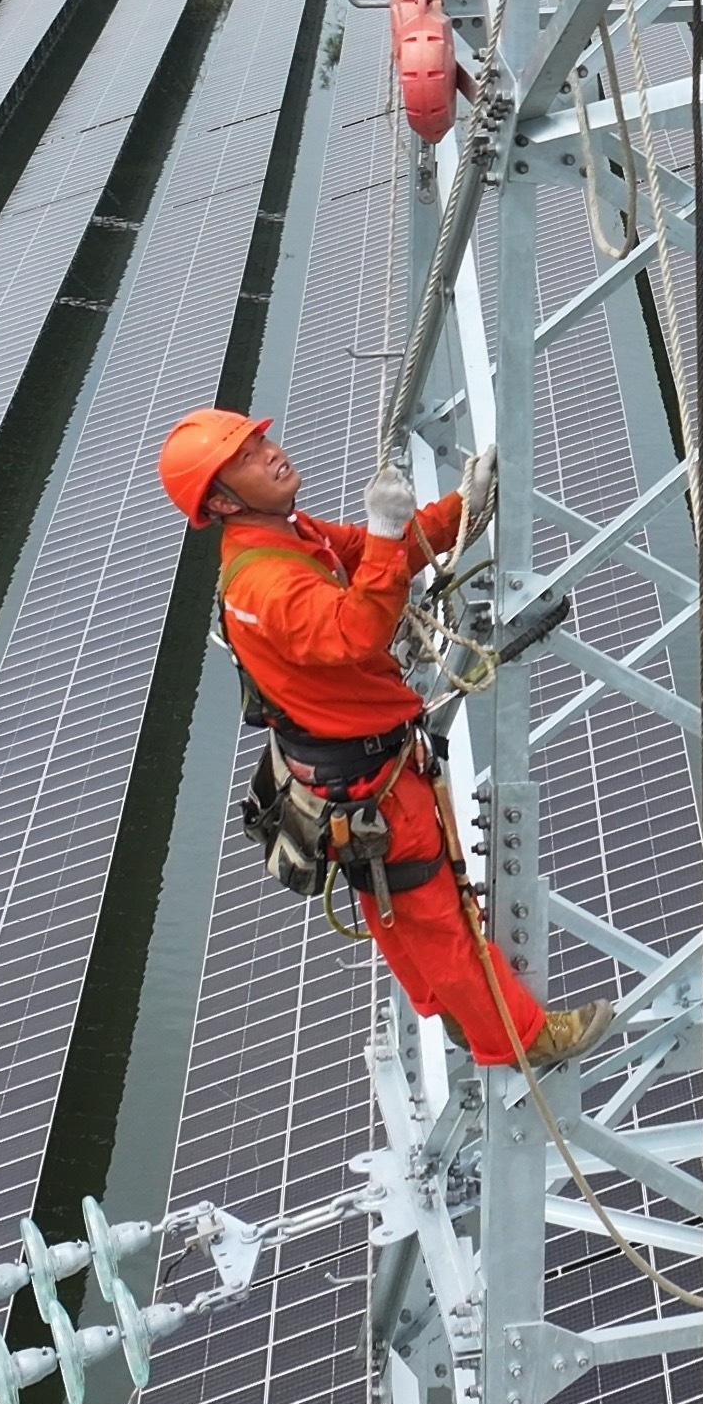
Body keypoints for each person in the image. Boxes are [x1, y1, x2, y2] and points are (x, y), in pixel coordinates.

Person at [161, 405, 608, 1072]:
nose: (272, 453)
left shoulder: (289, 536)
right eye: (249, 457)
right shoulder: (264, 582)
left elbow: (382, 555)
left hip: (358, 769)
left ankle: (455, 1009)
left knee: (403, 912)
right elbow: (354, 632)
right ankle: (518, 1039)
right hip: (372, 782)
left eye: (263, 440)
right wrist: (383, 527)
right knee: (437, 917)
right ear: (222, 500)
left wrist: (462, 508)